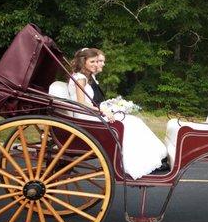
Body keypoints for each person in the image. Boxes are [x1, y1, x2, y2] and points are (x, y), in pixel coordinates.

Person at [68, 48, 168, 179]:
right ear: (83, 62)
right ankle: (145, 163)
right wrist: (102, 110)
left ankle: (153, 158)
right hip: (85, 116)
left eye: (96, 61)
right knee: (128, 124)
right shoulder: (80, 78)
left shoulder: (84, 77)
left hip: (89, 113)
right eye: (92, 61)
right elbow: (82, 103)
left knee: (133, 121)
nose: (95, 64)